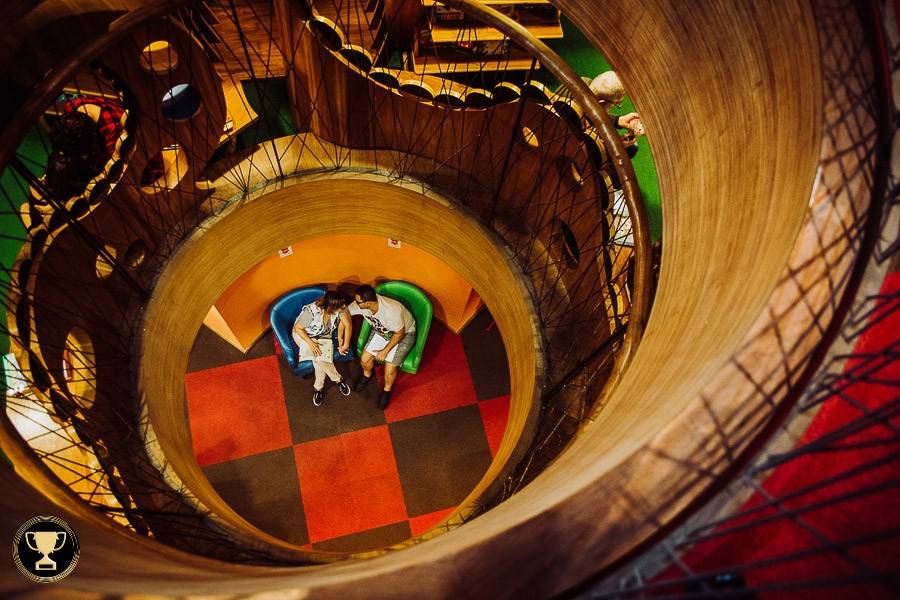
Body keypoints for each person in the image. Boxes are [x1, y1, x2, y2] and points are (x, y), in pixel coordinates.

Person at [349, 284, 417, 410]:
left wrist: (385, 351)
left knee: (389, 368)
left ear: (368, 303)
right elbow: (344, 313)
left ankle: (387, 390)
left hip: (404, 333)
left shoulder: (391, 311)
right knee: (364, 359)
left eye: (358, 301)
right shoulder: (362, 305)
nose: (355, 303)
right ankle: (367, 375)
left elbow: (399, 333)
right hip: (383, 330)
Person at [291, 291, 352, 407]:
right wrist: (310, 344)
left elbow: (347, 324)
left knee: (318, 361)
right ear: (331, 307)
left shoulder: (341, 307)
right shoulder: (311, 311)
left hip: (324, 336)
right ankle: (338, 380)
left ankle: (318, 388)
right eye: (340, 307)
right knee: (318, 358)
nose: (343, 309)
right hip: (305, 335)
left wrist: (343, 342)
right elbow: (298, 328)